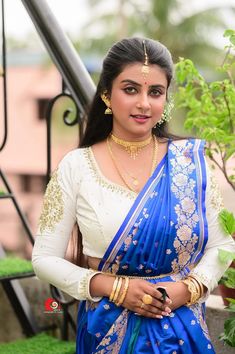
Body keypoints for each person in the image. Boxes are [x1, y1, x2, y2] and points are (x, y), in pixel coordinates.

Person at [32, 37, 235, 353]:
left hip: (181, 329)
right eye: (130, 90)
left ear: (166, 99)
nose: (144, 103)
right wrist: (115, 287)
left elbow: (223, 244)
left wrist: (188, 289)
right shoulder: (77, 166)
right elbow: (44, 259)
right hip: (107, 328)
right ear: (106, 95)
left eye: (155, 92)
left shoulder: (189, 162)